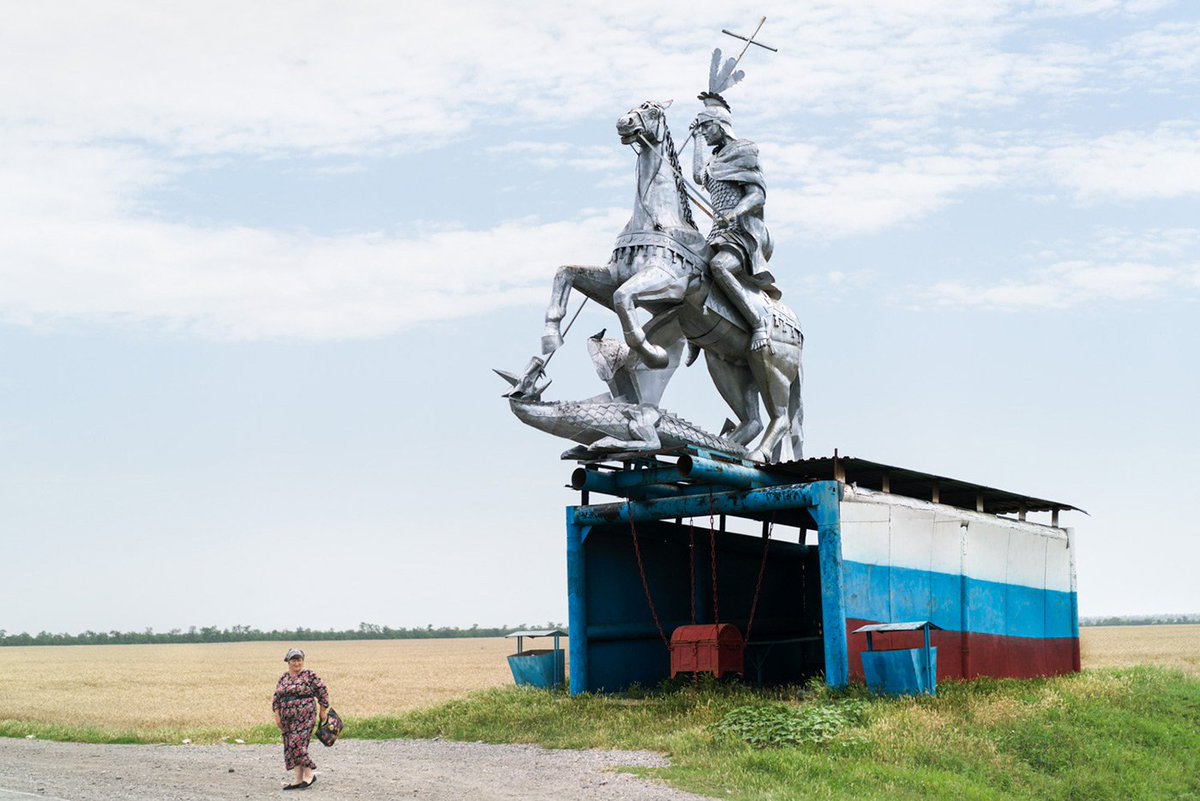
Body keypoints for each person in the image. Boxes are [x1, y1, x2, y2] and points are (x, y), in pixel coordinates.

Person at [690, 94, 778, 352]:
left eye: (706, 127)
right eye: (701, 128)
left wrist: (735, 213)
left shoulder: (743, 151)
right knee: (691, 270)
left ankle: (758, 323)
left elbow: (757, 195)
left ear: (720, 124)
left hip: (743, 232)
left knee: (719, 267)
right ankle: (694, 331)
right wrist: (695, 138)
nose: (705, 132)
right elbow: (698, 177)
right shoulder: (714, 160)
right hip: (719, 232)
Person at [272, 648, 330, 790]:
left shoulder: (309, 675)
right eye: (294, 660)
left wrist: (323, 711)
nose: (297, 663)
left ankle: (309, 774)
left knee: (298, 744)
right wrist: (277, 715)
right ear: (288, 662)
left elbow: (323, 692)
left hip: (305, 715)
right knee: (290, 746)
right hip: (287, 718)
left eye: (299, 660)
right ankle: (298, 779)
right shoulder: (283, 678)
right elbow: (276, 699)